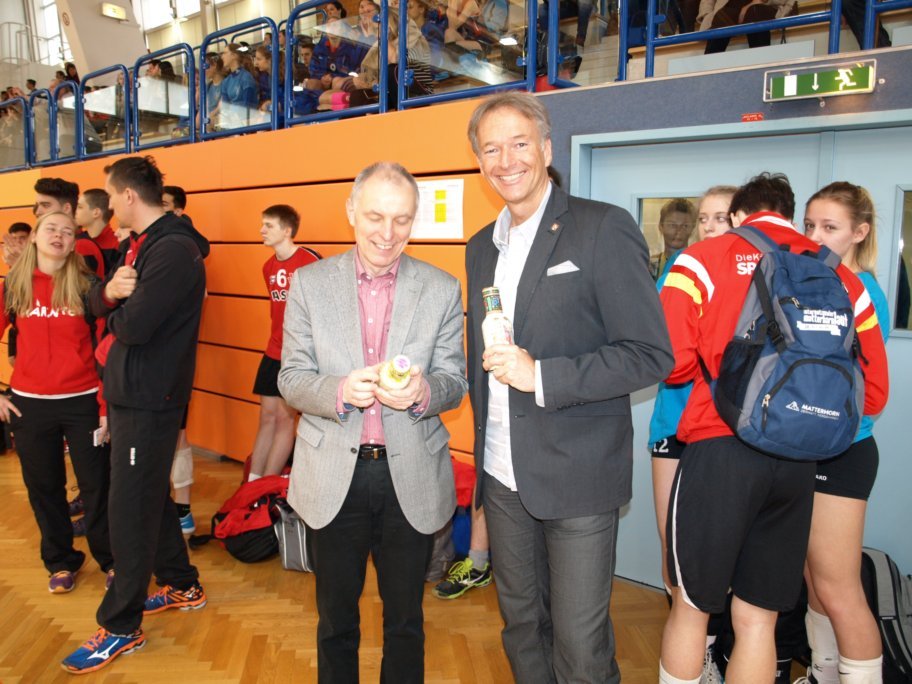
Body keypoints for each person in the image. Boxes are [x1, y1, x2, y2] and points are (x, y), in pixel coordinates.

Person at [465, 91, 674, 683]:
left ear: (547, 149)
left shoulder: (602, 227)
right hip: (502, 474)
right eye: (491, 150)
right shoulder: (480, 247)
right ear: (479, 162)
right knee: (522, 628)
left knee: (580, 647)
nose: (506, 161)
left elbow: (649, 354)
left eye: (520, 144)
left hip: (579, 475)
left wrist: (542, 376)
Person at [657, 172, 889, 683]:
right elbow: (873, 395)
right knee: (758, 618)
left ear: (740, 215)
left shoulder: (699, 260)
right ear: (788, 215)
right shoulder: (842, 275)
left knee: (692, 608)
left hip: (720, 449)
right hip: (798, 462)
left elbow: (672, 366)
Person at [278, 161, 467, 682]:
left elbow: (455, 380)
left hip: (411, 476)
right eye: (375, 217)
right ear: (351, 212)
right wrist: (340, 391)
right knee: (335, 621)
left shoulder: (442, 288)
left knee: (405, 621)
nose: (388, 233)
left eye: (402, 219)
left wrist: (423, 391)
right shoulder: (310, 284)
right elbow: (291, 378)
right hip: (332, 476)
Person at [62, 156, 210, 674]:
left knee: (129, 508)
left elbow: (132, 327)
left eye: (108, 194)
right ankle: (182, 584)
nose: (104, 203)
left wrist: (114, 306)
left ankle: (121, 626)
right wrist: (110, 295)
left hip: (150, 397)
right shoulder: (139, 244)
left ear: (128, 196)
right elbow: (94, 303)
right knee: (148, 494)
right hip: (133, 393)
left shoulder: (171, 250)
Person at [796, 182, 891, 684]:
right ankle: (824, 672)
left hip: (844, 451)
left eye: (829, 228)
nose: (814, 237)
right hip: (805, 450)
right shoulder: (812, 281)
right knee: (815, 581)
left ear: (859, 232)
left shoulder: (863, 291)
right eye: (809, 225)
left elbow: (866, 389)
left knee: (840, 589)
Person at [647, 185, 735, 680]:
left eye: (721, 217)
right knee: (673, 546)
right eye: (705, 218)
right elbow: (664, 354)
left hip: (723, 435)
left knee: (717, 551)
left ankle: (714, 646)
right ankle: (690, 647)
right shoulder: (678, 272)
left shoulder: (753, 276)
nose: (709, 227)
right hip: (671, 424)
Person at [0, 211, 112, 594]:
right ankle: (61, 561)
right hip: (29, 406)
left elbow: (107, 350)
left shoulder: (87, 285)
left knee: (97, 487)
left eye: (67, 231)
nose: (59, 236)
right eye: (51, 229)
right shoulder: (14, 285)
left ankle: (112, 560)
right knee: (44, 488)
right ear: (34, 236)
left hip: (83, 402)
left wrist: (104, 407)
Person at [248, 204, 319, 480]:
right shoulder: (268, 266)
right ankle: (252, 484)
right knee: (267, 417)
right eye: (262, 224)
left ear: (287, 230)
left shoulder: (310, 261)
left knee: (286, 419)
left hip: (298, 355)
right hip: (273, 350)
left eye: (269, 225)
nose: (262, 230)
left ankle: (267, 486)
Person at [161, 184, 197, 532]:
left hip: (171, 364)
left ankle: (182, 509)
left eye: (165, 205)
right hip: (144, 367)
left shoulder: (183, 248)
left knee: (178, 436)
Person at [33, 177, 105, 279]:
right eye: (37, 205)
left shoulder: (81, 245)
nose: (37, 212)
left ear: (66, 208)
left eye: (46, 205)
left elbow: (75, 287)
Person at [75, 189, 120, 276]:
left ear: (96, 213)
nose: (75, 211)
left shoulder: (118, 246)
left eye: (80, 207)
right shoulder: (75, 241)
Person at [650, 197, 697, 280]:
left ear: (692, 229)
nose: (678, 231)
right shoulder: (650, 266)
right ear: (661, 226)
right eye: (672, 225)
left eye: (685, 226)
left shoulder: (698, 266)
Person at [218, 44, 259, 130]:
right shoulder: (225, 82)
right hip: (232, 121)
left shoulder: (246, 77)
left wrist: (235, 118)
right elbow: (225, 106)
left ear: (234, 55)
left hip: (246, 121)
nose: (222, 57)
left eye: (225, 53)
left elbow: (248, 105)